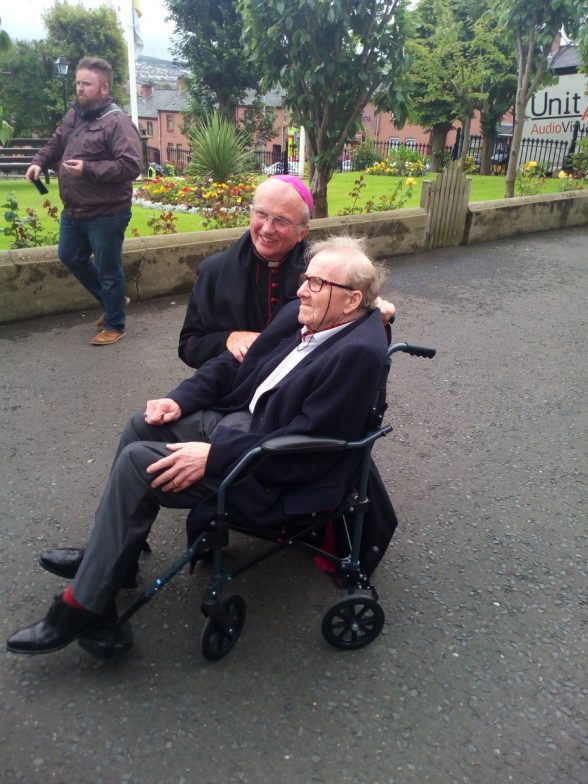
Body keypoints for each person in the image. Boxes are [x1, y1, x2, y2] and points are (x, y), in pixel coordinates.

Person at [7, 236, 390, 655]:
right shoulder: (302, 315)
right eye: (305, 278)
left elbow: (311, 446)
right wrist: (179, 400)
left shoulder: (357, 353)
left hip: (273, 471)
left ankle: (83, 606)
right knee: (142, 424)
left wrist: (214, 458)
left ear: (352, 301)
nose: (300, 289)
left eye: (316, 283)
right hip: (243, 424)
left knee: (139, 462)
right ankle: (119, 562)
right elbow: (230, 364)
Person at [178, 175, 396, 369]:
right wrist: (228, 338)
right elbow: (188, 346)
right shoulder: (214, 272)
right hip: (227, 389)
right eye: (261, 214)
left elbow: (355, 341)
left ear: (303, 232)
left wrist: (373, 314)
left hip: (298, 391)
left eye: (280, 220)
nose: (266, 228)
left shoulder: (328, 275)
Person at [26, 57, 142, 346]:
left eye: (86, 84)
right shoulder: (75, 115)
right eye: (77, 82)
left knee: (108, 268)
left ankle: (115, 324)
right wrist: (39, 162)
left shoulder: (117, 122)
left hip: (107, 212)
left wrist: (88, 169)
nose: (79, 88)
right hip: (75, 208)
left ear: (104, 87)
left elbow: (130, 167)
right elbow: (56, 142)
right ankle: (113, 301)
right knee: (69, 255)